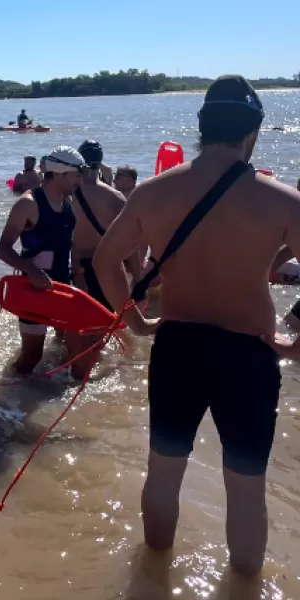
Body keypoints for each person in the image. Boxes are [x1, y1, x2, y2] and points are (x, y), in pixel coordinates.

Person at [92, 75, 300, 577]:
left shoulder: (152, 193)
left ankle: (153, 575)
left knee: (164, 470)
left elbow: (105, 262)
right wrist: (296, 344)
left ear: (201, 128)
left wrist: (137, 323)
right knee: (246, 488)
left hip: (178, 344)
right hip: (249, 353)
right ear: (252, 132)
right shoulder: (284, 201)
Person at [0, 146, 85, 376]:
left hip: (62, 285)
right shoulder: (28, 204)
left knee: (73, 352)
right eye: (77, 174)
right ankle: (7, 400)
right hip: (34, 290)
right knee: (31, 359)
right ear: (60, 174)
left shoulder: (68, 203)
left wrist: (78, 275)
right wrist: (29, 269)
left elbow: (68, 243)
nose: (81, 180)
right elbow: (3, 248)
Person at [70, 140, 138, 377]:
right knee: (100, 327)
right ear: (101, 162)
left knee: (72, 325)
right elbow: (133, 244)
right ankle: (88, 373)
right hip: (104, 267)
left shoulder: (67, 193)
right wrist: (138, 280)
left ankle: (70, 371)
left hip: (74, 267)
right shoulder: (115, 197)